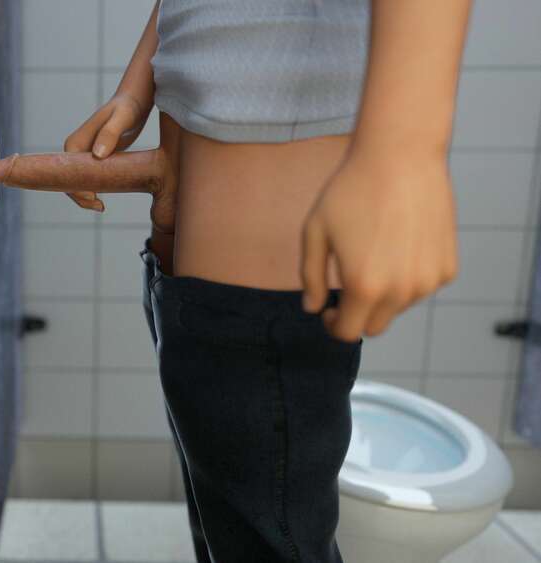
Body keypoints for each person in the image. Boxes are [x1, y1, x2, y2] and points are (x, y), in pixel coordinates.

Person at [61, 0, 470, 561]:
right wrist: (139, 86)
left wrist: (408, 153)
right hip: (195, 210)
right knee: (228, 532)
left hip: (280, 170)